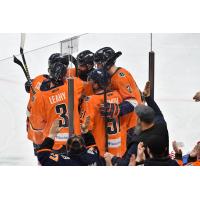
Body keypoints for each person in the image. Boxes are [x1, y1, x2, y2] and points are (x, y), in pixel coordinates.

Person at [104, 81, 169, 166]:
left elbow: (127, 164)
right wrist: (147, 97)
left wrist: (112, 158)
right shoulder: (161, 124)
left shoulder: (138, 144)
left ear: (139, 120)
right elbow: (158, 113)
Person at [29, 62, 84, 153]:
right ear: (64, 75)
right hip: (75, 142)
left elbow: (37, 125)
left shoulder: (40, 97)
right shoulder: (73, 86)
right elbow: (83, 83)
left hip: (53, 143)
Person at [94, 47, 142, 147]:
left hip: (133, 125)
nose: (97, 66)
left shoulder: (120, 77)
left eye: (98, 63)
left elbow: (133, 102)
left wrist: (117, 108)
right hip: (128, 123)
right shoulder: (112, 76)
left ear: (105, 63)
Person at [80, 68, 127, 157]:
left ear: (96, 85)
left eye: (91, 81)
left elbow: (85, 128)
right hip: (120, 149)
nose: (89, 83)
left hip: (101, 152)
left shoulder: (90, 101)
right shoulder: (118, 95)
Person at [37, 120, 104, 166]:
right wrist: (86, 132)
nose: (75, 136)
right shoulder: (93, 157)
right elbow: (92, 147)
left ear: (68, 149)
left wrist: (52, 135)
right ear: (84, 147)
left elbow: (43, 155)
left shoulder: (62, 161)